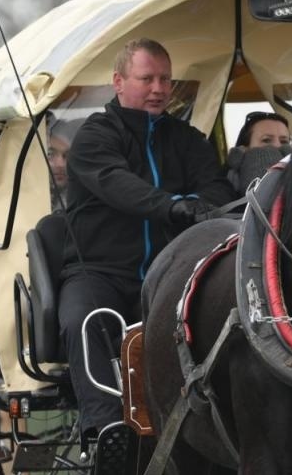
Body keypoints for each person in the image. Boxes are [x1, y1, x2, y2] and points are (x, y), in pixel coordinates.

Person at [60, 38, 234, 440]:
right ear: (119, 82)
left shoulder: (188, 140)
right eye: (147, 79)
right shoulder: (94, 137)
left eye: (165, 80)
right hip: (98, 272)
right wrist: (176, 206)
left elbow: (217, 191)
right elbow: (117, 185)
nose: (158, 89)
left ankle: (210, 425)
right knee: (80, 321)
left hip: (170, 272)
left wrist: (199, 205)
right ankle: (106, 433)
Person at [225, 110, 292, 196]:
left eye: (284, 142)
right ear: (243, 149)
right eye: (266, 140)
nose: (277, 145)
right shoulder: (220, 190)